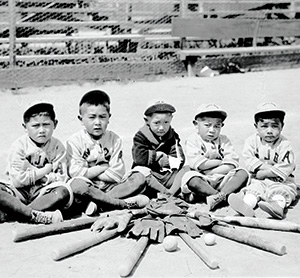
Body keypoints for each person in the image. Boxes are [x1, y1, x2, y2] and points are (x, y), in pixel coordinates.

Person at [66, 90, 150, 216]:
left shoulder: (114, 139)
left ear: (109, 117)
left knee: (139, 178)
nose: (98, 122)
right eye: (92, 117)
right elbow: (76, 173)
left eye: (102, 117)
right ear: (81, 119)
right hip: (88, 188)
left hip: (111, 187)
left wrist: (90, 171)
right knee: (76, 185)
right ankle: (120, 204)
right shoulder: (74, 141)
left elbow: (117, 174)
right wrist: (103, 167)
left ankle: (99, 203)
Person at [5, 101, 74, 223]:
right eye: (36, 126)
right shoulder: (19, 146)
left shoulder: (57, 147)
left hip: (43, 193)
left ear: (55, 124)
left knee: (63, 192)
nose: (42, 130)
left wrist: (33, 174)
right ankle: (33, 214)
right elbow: (17, 180)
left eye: (46, 125)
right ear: (25, 127)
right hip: (19, 192)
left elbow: (61, 178)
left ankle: (19, 213)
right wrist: (45, 171)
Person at [228, 102, 297, 219]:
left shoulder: (284, 144)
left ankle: (277, 208)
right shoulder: (252, 141)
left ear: (282, 126)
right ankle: (246, 206)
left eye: (274, 126)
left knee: (280, 192)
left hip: (281, 180)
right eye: (264, 126)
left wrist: (264, 172)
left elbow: (287, 166)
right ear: (256, 127)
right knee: (253, 191)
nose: (269, 130)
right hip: (259, 180)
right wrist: (266, 170)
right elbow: (249, 159)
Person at [181, 103, 249, 211]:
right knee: (191, 178)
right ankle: (222, 197)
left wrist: (210, 170)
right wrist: (221, 162)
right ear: (196, 124)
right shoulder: (193, 140)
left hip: (222, 179)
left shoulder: (224, 139)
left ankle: (218, 197)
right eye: (207, 125)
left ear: (222, 125)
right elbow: (200, 165)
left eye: (217, 126)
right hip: (203, 180)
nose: (212, 130)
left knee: (242, 172)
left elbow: (232, 164)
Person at [131, 100, 190, 198]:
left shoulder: (172, 135)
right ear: (147, 121)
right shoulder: (141, 136)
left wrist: (167, 159)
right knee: (140, 172)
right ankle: (166, 193)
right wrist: (157, 155)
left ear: (171, 119)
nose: (161, 127)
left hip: (167, 175)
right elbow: (139, 158)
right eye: (156, 123)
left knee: (186, 169)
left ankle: (170, 193)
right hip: (151, 177)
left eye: (166, 122)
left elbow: (180, 159)